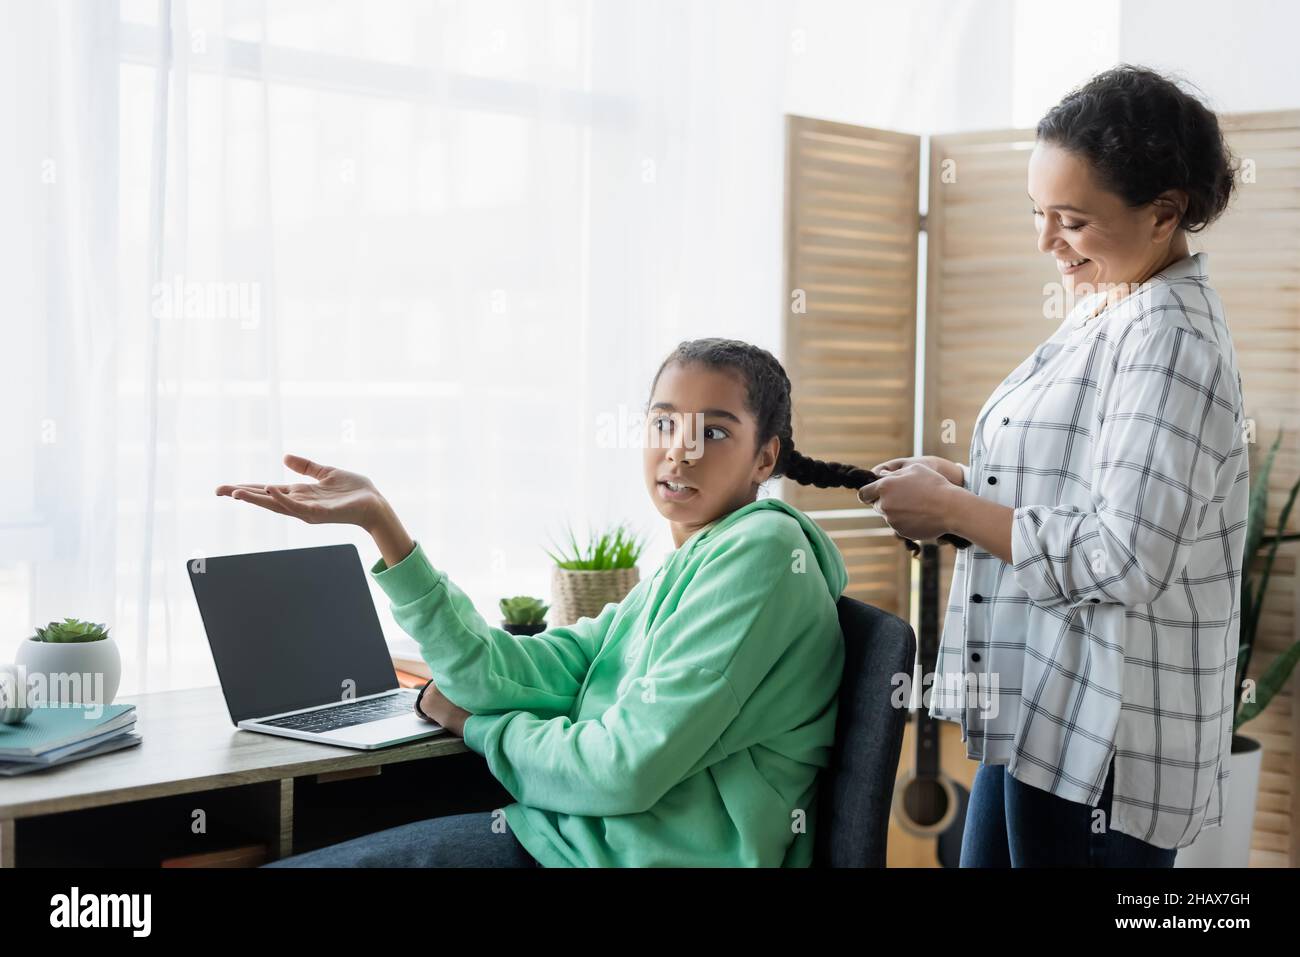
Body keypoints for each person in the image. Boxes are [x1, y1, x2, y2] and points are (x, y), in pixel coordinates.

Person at [219, 338, 891, 867]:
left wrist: (479, 728)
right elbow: (512, 671)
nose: (678, 453)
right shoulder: (688, 564)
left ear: (763, 457)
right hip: (585, 839)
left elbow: (623, 771)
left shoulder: (763, 554)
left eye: (713, 432)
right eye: (663, 424)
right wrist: (385, 528)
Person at [857, 65, 1247, 867]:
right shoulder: (1111, 302)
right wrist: (967, 483)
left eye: (1070, 219)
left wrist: (955, 515)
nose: (1045, 242)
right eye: (1038, 213)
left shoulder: (1168, 340)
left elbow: (1125, 555)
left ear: (1165, 212)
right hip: (1045, 708)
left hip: (1102, 743)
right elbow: (1086, 486)